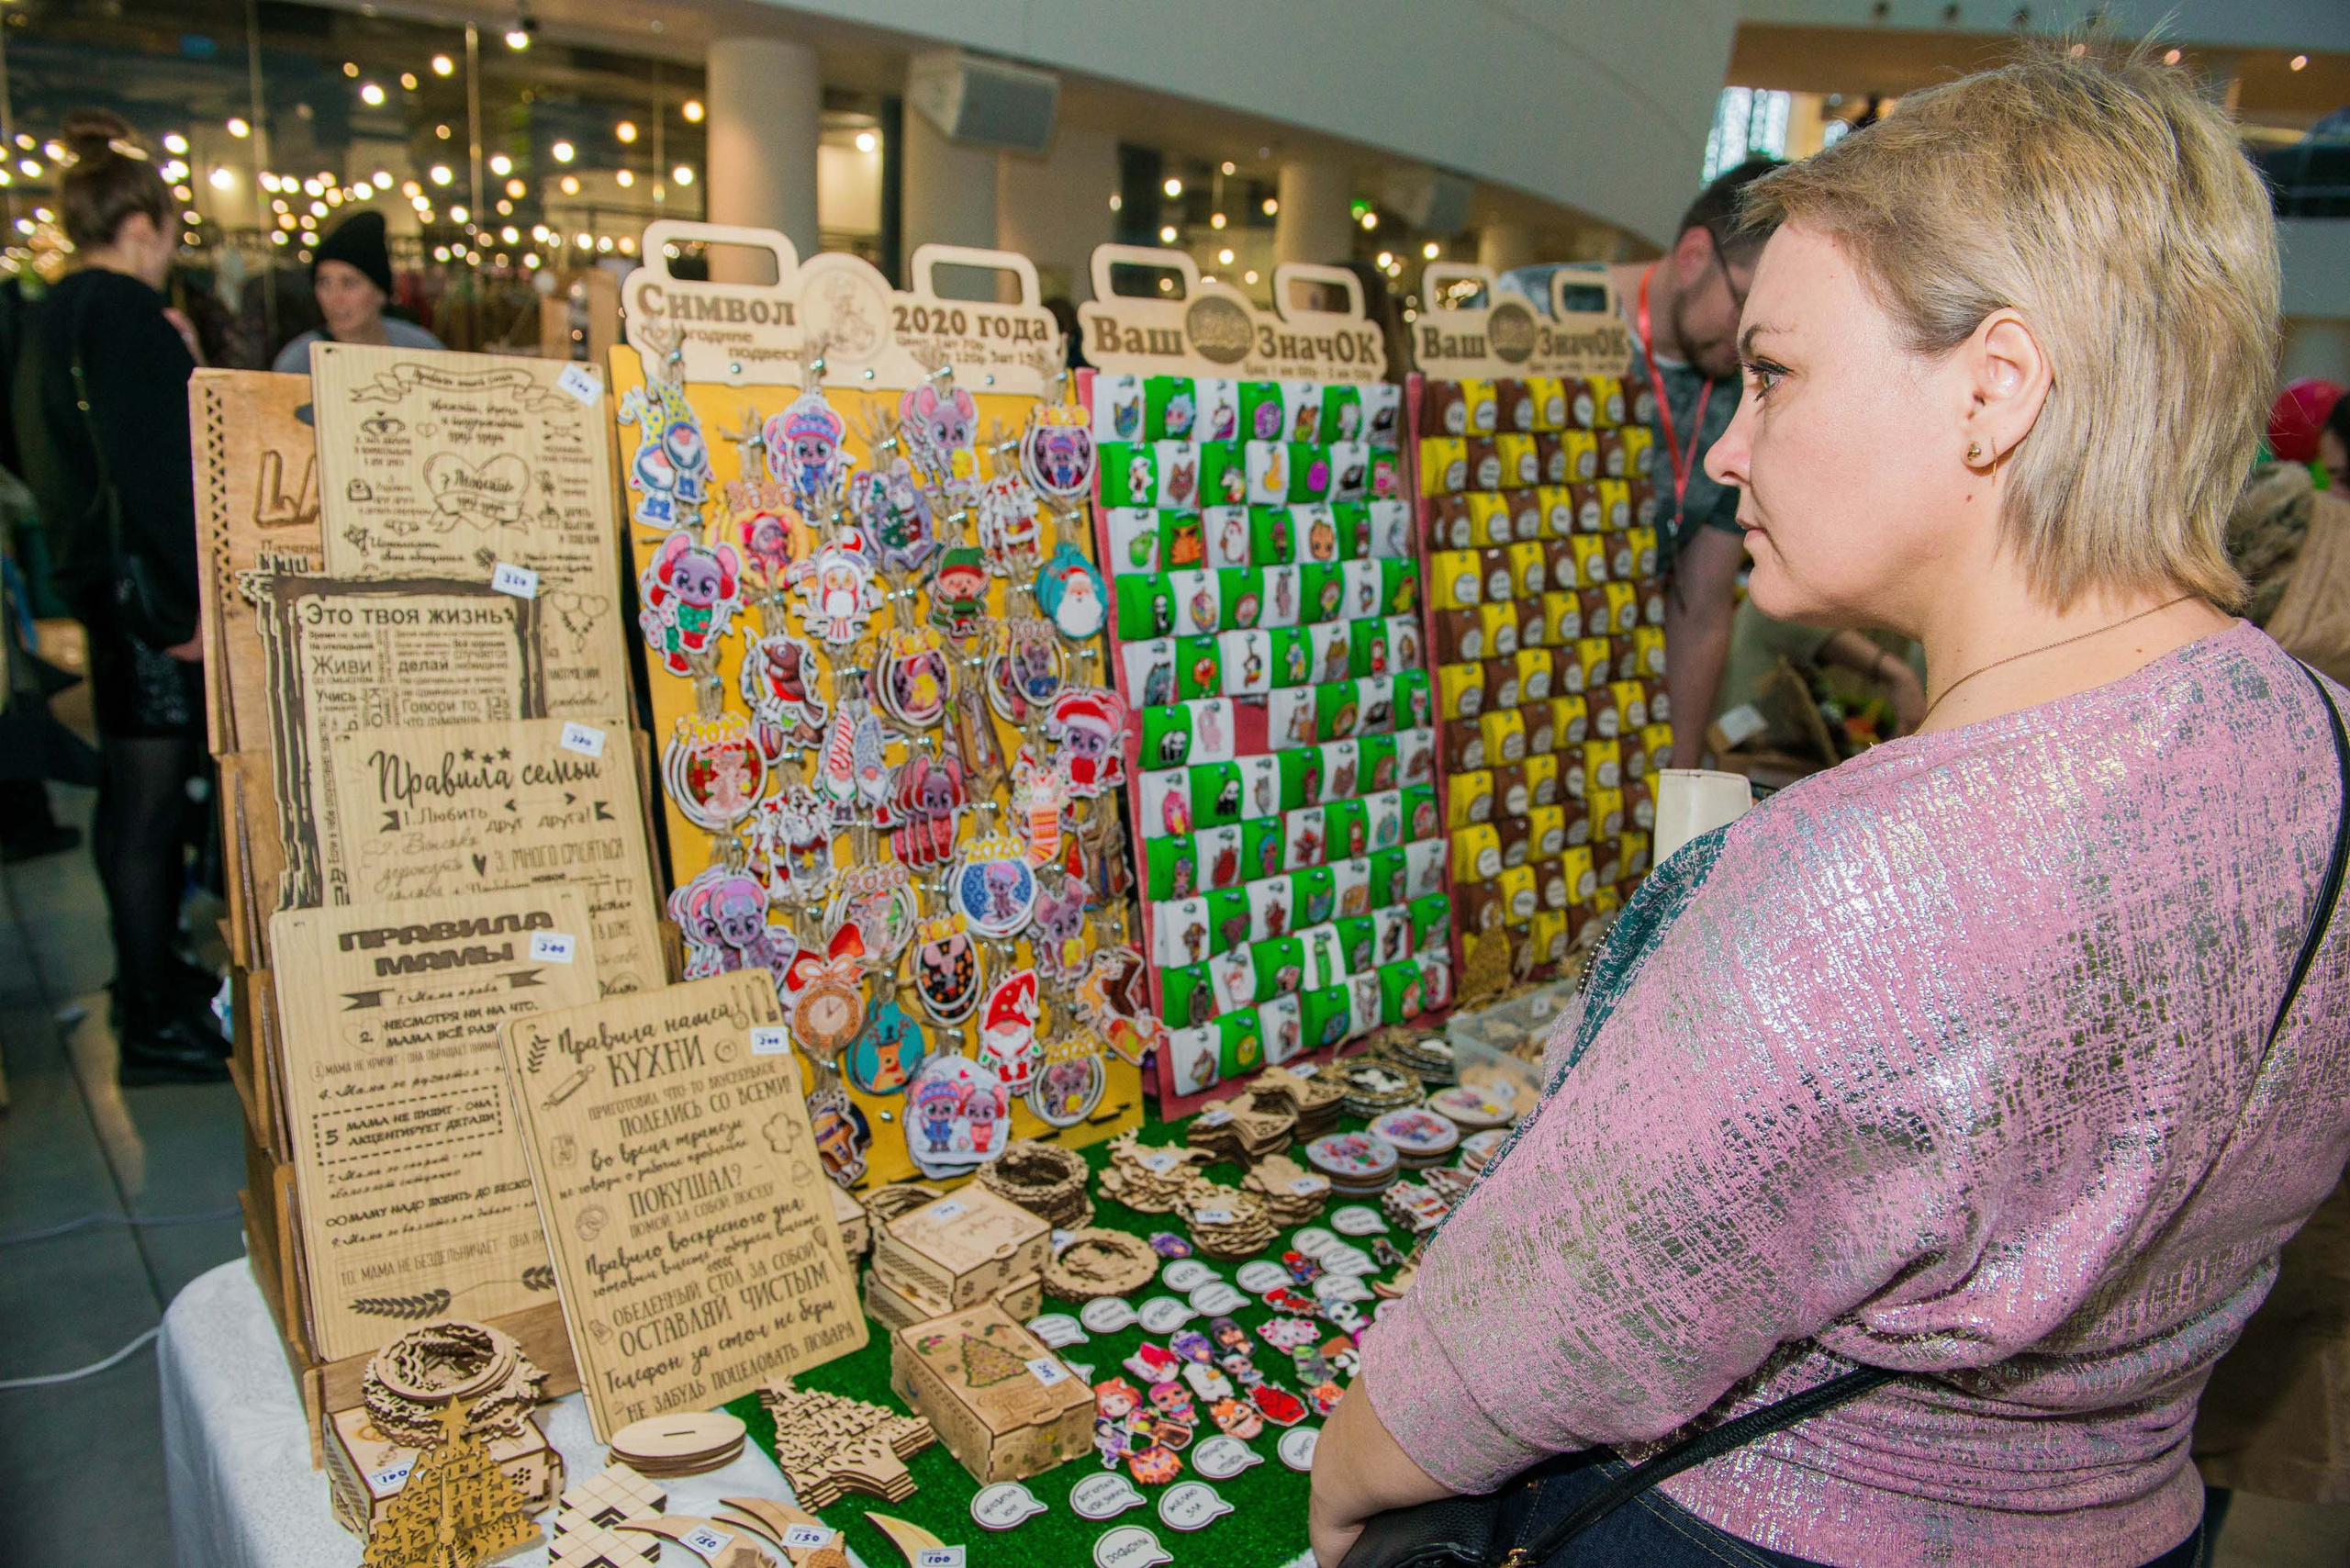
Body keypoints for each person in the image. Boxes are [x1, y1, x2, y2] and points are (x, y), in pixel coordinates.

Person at [1315, 46, 2346, 1568]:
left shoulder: (1857, 894)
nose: (1727, 445)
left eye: (1778, 371)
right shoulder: (2318, 743)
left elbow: (1540, 1326)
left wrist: (1350, 1471)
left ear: (1995, 388)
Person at [13, 110, 225, 1084]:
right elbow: (160, 476)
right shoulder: (127, 317)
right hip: (151, 602)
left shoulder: (49, 315)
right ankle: (150, 1014)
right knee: (147, 803)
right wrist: (187, 615)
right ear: (143, 226)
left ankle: (150, 981)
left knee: (131, 805)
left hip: (99, 586)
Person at [1609, 157, 1778, 771]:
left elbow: (1704, 610)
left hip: (1613, 710)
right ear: (1692, 257)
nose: (1746, 348)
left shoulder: (1743, 386)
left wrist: (1677, 778)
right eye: (1741, 310)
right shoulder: (1540, 316)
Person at [269, 209, 441, 374]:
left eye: (349, 283)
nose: (335, 298)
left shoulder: (422, 349)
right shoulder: (299, 363)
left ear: (380, 293)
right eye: (324, 283)